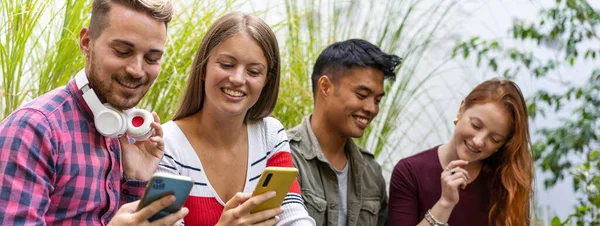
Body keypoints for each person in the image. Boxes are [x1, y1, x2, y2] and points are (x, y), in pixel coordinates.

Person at [0, 0, 188, 225]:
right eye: (122, 51)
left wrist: (137, 181)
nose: (137, 70)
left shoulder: (129, 134)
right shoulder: (33, 130)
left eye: (152, 58)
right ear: (86, 42)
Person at [156, 12, 315, 226]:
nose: (238, 79)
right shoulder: (166, 146)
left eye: (253, 71)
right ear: (203, 67)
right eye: (227, 65)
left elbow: (295, 218)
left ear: (267, 79)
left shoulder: (270, 135)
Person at [388, 78, 534, 226]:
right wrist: (445, 204)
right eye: (476, 125)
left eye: (494, 139)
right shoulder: (409, 172)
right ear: (461, 109)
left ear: (502, 144)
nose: (478, 141)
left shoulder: (508, 185)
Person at [287, 39, 401, 226]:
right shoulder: (285, 157)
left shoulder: (371, 171)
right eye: (362, 95)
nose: (371, 108)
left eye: (378, 100)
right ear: (325, 87)